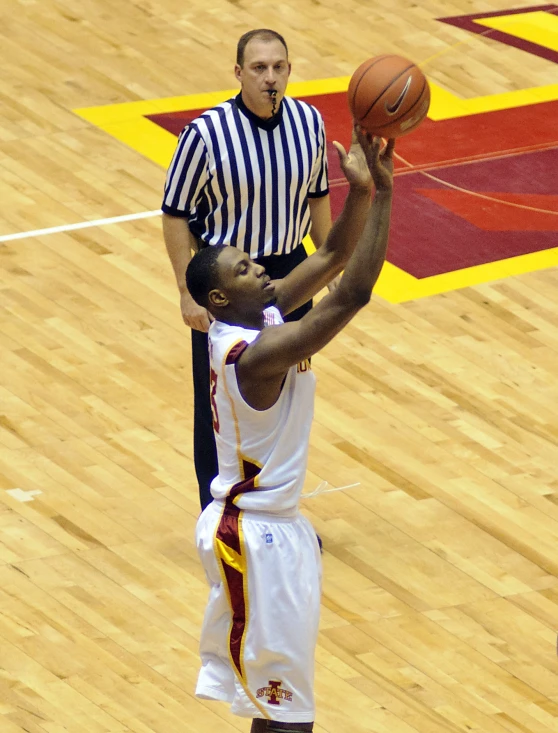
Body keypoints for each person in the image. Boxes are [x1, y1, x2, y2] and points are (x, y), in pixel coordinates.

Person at [187, 127, 395, 732]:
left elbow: (330, 259)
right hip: (254, 540)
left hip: (281, 529)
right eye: (247, 270)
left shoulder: (263, 315)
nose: (262, 271)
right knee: (289, 717)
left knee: (278, 707)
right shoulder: (254, 356)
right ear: (222, 299)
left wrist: (359, 193)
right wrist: (384, 197)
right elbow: (351, 291)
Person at [162, 28, 333, 510]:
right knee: (222, 404)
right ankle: (218, 512)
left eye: (279, 67)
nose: (270, 78)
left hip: (291, 271)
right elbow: (175, 213)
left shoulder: (310, 122)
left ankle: (277, 507)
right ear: (238, 73)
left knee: (286, 396)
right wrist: (185, 291)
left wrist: (329, 262)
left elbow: (318, 198)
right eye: (259, 68)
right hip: (230, 281)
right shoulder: (205, 133)